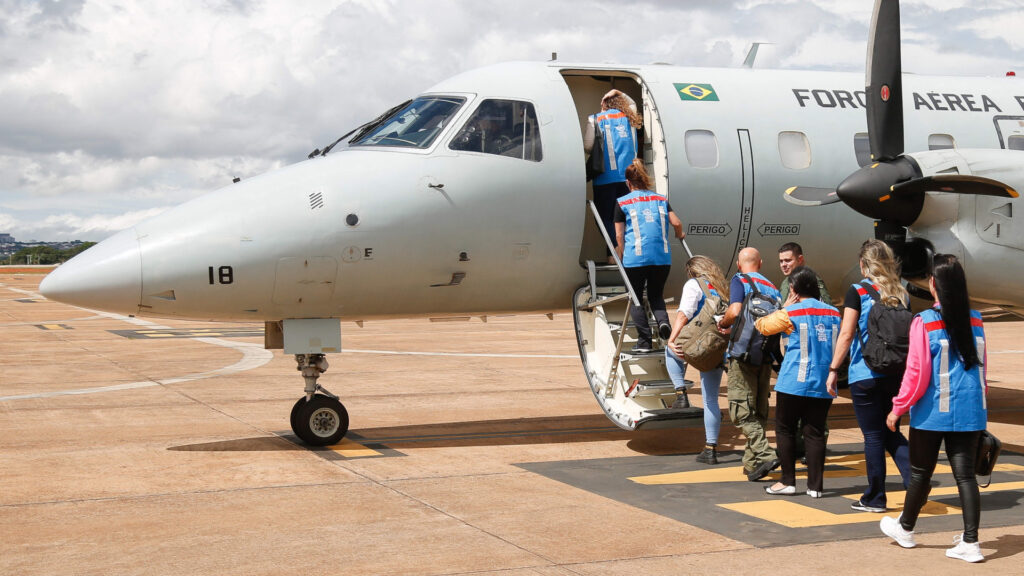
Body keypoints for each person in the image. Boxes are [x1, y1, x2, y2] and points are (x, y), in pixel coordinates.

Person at [879, 254, 988, 563]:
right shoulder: (977, 320)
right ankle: (971, 542)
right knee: (965, 477)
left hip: (932, 413)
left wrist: (897, 408)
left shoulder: (925, 321)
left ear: (933, 284)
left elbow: (916, 373)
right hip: (971, 411)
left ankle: (906, 528)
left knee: (920, 474)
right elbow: (981, 369)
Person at [825, 239, 912, 512]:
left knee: (873, 436)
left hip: (866, 372)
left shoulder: (857, 291)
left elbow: (847, 333)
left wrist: (833, 369)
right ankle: (916, 481)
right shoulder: (902, 293)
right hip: (896, 372)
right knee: (891, 430)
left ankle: (875, 497)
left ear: (864, 265)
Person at [755, 266, 840, 497]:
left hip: (794, 380)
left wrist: (785, 306)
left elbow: (762, 326)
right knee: (815, 433)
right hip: (824, 382)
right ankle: (815, 487)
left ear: (793, 289)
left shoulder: (791, 312)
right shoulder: (834, 313)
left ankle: (788, 481)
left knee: (785, 429)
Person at [717, 247, 781, 481]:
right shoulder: (774, 289)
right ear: (761, 263)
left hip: (741, 355)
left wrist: (723, 323)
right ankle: (752, 463)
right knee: (758, 410)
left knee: (741, 411)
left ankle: (765, 453)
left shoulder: (740, 280)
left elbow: (734, 311)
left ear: (738, 264)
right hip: (764, 356)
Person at [614, 159, 684, 353]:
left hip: (635, 259)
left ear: (628, 183)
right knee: (655, 295)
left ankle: (644, 341)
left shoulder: (623, 203)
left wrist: (621, 253)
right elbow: (676, 223)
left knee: (635, 297)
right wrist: (680, 234)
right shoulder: (661, 199)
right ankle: (663, 323)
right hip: (662, 259)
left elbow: (619, 235)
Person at [665, 256, 729, 464]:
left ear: (692, 271)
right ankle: (710, 449)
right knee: (710, 399)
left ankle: (680, 393)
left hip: (697, 344)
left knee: (671, 350)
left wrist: (672, 339)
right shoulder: (722, 288)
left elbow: (684, 314)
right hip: (717, 347)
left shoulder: (694, 285)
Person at [777, 241, 834, 458]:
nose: (784, 264)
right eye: (781, 261)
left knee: (813, 413)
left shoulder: (811, 282)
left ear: (800, 259)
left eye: (788, 260)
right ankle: (803, 448)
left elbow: (824, 311)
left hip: (812, 353)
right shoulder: (787, 282)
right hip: (795, 350)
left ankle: (813, 451)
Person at [586, 89, 641, 250]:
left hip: (605, 178)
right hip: (628, 179)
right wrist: (617, 92)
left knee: (605, 218)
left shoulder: (595, 118)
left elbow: (588, 146)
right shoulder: (629, 117)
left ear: (604, 104)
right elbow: (632, 103)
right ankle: (619, 253)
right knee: (624, 217)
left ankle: (614, 252)